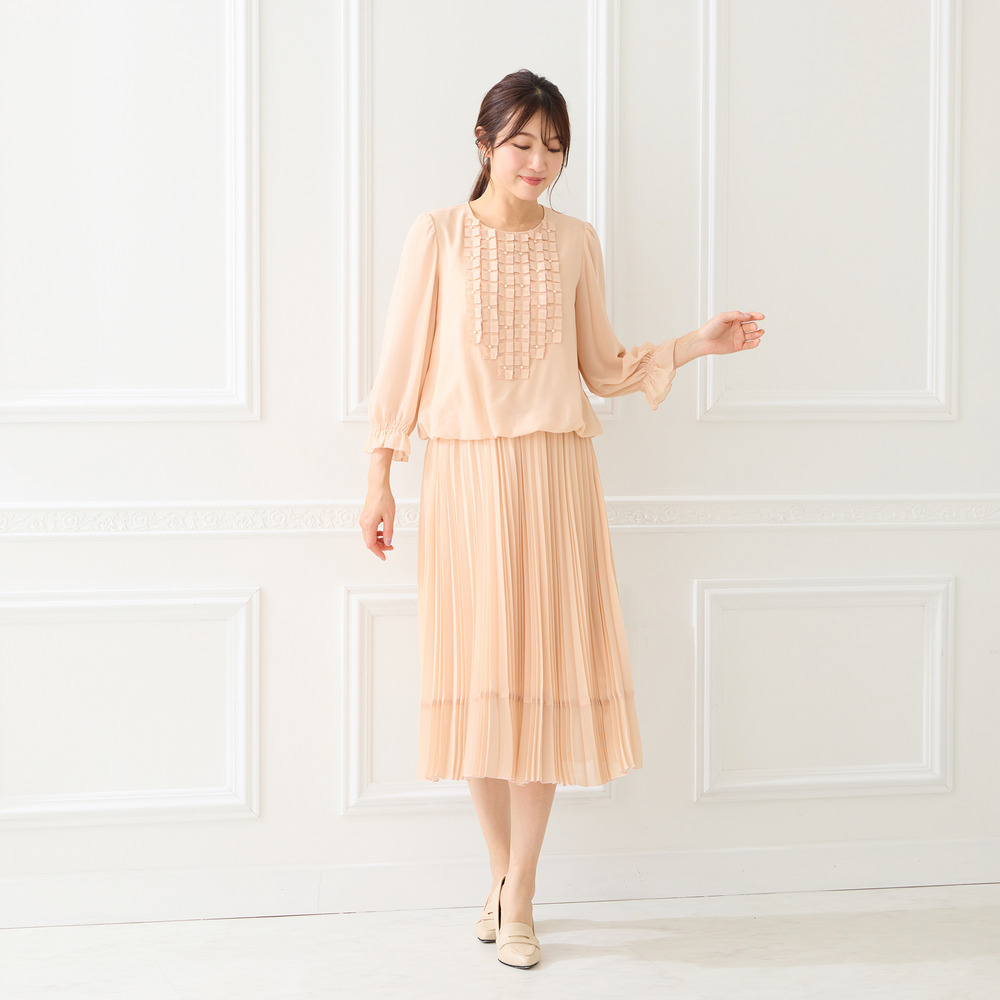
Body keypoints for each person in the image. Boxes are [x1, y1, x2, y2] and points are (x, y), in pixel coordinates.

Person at [359, 69, 764, 969]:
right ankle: (499, 875)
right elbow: (400, 364)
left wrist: (696, 344)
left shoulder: (577, 241)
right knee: (478, 680)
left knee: (537, 679)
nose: (537, 161)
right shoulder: (436, 236)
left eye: (552, 146)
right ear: (484, 143)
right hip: (464, 478)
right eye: (521, 143)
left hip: (554, 478)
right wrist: (379, 475)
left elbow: (603, 366)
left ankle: (524, 892)